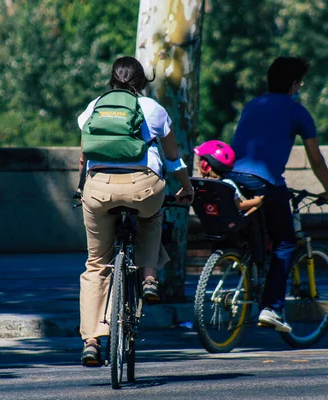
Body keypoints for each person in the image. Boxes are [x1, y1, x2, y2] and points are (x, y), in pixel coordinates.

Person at [76, 56, 194, 367]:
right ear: (141, 82)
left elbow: (84, 155)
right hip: (144, 188)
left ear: (111, 80)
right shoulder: (153, 110)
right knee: (151, 217)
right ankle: (150, 278)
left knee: (95, 264)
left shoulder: (94, 107)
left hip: (99, 188)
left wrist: (81, 188)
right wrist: (187, 187)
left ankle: (91, 341)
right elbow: (173, 158)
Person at [227, 56, 328, 333]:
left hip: (232, 176)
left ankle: (245, 270)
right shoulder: (297, 112)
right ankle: (272, 308)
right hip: (265, 180)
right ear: (293, 85)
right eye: (299, 83)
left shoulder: (253, 105)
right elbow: (315, 158)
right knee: (286, 241)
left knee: (256, 230)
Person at [193, 140, 263, 215]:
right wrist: (257, 201)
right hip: (231, 223)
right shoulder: (227, 185)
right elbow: (239, 205)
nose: (197, 163)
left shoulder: (198, 184)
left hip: (209, 219)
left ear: (204, 165)